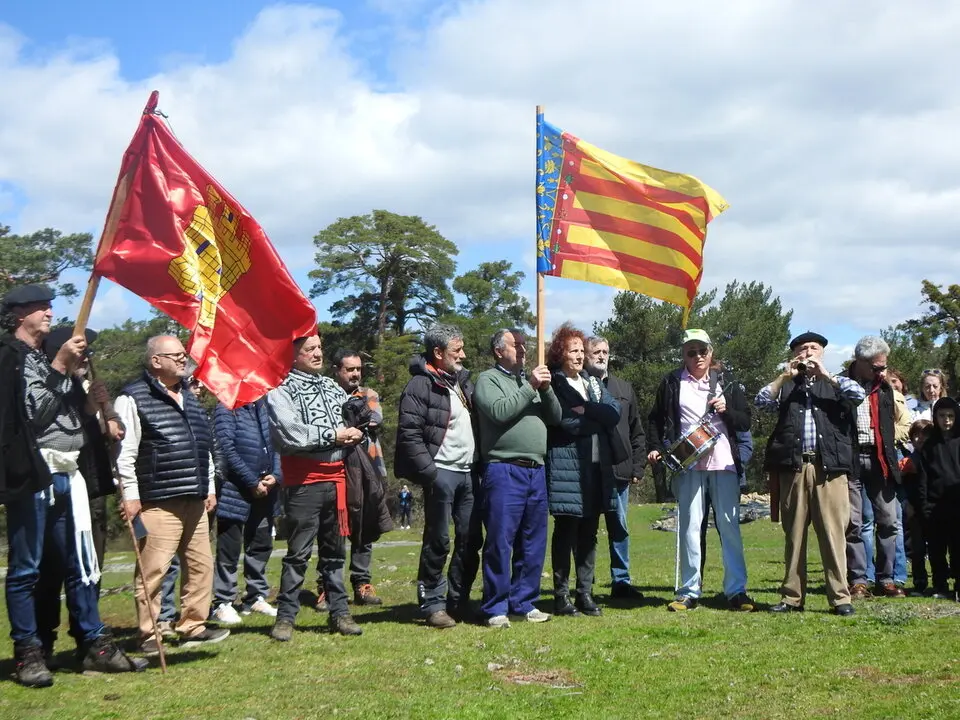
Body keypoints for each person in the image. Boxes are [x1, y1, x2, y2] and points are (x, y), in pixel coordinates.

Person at [1, 285, 145, 687]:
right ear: (17, 315)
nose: (49, 312)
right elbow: (33, 416)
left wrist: (88, 402)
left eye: (49, 305)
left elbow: (64, 412)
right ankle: (29, 653)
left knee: (83, 564)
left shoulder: (40, 358)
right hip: (36, 471)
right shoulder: (10, 358)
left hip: (71, 473)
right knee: (28, 567)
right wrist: (61, 367)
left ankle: (95, 643)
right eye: (39, 307)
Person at [115, 335, 230, 655]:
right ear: (155, 361)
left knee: (201, 566)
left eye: (183, 355)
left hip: (194, 498)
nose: (183, 360)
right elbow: (124, 453)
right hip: (157, 500)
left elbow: (203, 446)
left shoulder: (189, 397)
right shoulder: (132, 397)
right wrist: (131, 495)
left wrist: (207, 487)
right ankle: (149, 633)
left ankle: (192, 625)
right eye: (176, 355)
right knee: (153, 570)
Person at [756, 331, 864, 616]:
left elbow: (858, 396)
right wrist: (784, 377)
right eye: (802, 349)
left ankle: (840, 598)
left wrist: (826, 375)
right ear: (794, 355)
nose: (808, 353)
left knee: (833, 534)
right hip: (793, 468)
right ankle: (792, 598)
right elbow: (761, 402)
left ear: (823, 353)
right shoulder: (787, 385)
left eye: (813, 348)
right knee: (794, 536)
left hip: (829, 469)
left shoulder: (837, 382)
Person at [266, 330, 365, 640]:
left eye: (320, 347)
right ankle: (285, 617)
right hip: (304, 482)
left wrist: (361, 425)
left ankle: (340, 613)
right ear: (294, 355)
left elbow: (353, 417)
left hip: (336, 477)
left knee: (335, 552)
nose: (318, 354)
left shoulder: (332, 388)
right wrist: (335, 435)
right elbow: (291, 434)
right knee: (298, 553)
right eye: (310, 349)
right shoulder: (280, 388)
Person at [647, 329, 754, 613]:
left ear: (711, 352)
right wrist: (657, 446)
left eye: (702, 351)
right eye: (690, 352)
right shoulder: (671, 381)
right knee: (690, 526)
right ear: (683, 354)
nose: (697, 357)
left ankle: (736, 591)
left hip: (724, 464)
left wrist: (726, 410)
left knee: (729, 527)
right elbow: (656, 419)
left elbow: (744, 422)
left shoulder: (728, 382)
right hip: (687, 463)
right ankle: (688, 591)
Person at [394, 323, 482, 628]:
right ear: (437, 352)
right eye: (457, 350)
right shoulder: (420, 386)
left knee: (470, 538)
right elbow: (409, 433)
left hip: (468, 473)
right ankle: (433, 603)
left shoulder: (462, 383)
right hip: (441, 472)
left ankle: (459, 601)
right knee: (439, 539)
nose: (464, 355)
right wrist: (430, 474)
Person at [475, 328, 561, 628]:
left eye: (525, 345)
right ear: (499, 351)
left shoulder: (528, 381)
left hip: (536, 470)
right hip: (504, 468)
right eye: (517, 345)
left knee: (533, 540)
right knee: (500, 540)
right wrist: (530, 388)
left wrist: (546, 389)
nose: (524, 350)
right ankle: (495, 606)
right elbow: (499, 412)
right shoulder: (489, 380)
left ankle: (524, 601)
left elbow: (556, 417)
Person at [546, 323, 621, 618]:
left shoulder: (592, 382)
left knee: (590, 534)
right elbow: (565, 422)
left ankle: (585, 593)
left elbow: (613, 413)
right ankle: (561, 595)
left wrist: (588, 410)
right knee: (567, 532)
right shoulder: (556, 384)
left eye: (581, 350)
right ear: (561, 354)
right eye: (573, 350)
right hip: (568, 468)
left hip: (595, 468)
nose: (579, 356)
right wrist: (595, 417)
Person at [315, 349, 388, 610]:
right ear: (337, 370)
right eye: (350, 369)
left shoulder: (368, 395)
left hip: (368, 469)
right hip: (333, 469)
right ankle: (327, 586)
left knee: (363, 529)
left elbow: (374, 419)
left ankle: (362, 583)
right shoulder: (324, 395)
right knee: (331, 529)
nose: (356, 373)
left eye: (358, 369)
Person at [843, 336, 908, 599]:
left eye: (884, 367)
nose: (882, 372)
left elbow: (898, 423)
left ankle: (887, 579)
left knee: (890, 521)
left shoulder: (885, 389)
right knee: (854, 524)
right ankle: (859, 580)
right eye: (877, 367)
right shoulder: (840, 384)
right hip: (851, 462)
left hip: (882, 461)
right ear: (860, 362)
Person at [209, 396, 281, 625]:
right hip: (235, 490)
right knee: (229, 548)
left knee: (260, 544)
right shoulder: (226, 409)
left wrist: (277, 475)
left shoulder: (264, 407)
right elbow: (226, 449)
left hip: (266, 489)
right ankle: (223, 601)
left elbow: (276, 443)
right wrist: (251, 481)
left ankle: (256, 596)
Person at [585, 335, 647, 599]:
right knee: (585, 529)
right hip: (585, 469)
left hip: (618, 470)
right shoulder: (575, 386)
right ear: (585, 356)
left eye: (606, 351)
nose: (602, 355)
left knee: (619, 528)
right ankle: (584, 583)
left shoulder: (623, 388)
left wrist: (638, 466)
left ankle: (621, 581)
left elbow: (637, 431)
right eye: (596, 351)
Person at [915, 397, 960, 600]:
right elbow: (923, 479)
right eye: (942, 416)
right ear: (935, 417)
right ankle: (940, 585)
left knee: (958, 549)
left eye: (950, 416)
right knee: (936, 550)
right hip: (935, 507)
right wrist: (925, 506)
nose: (947, 420)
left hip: (957, 504)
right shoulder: (929, 446)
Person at [900, 419, 933, 595]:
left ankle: (939, 579)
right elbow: (901, 484)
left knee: (936, 546)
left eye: (925, 435)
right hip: (914, 508)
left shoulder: (936, 456)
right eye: (916, 435)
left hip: (934, 506)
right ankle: (919, 581)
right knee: (917, 547)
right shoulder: (908, 460)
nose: (920, 439)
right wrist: (907, 504)